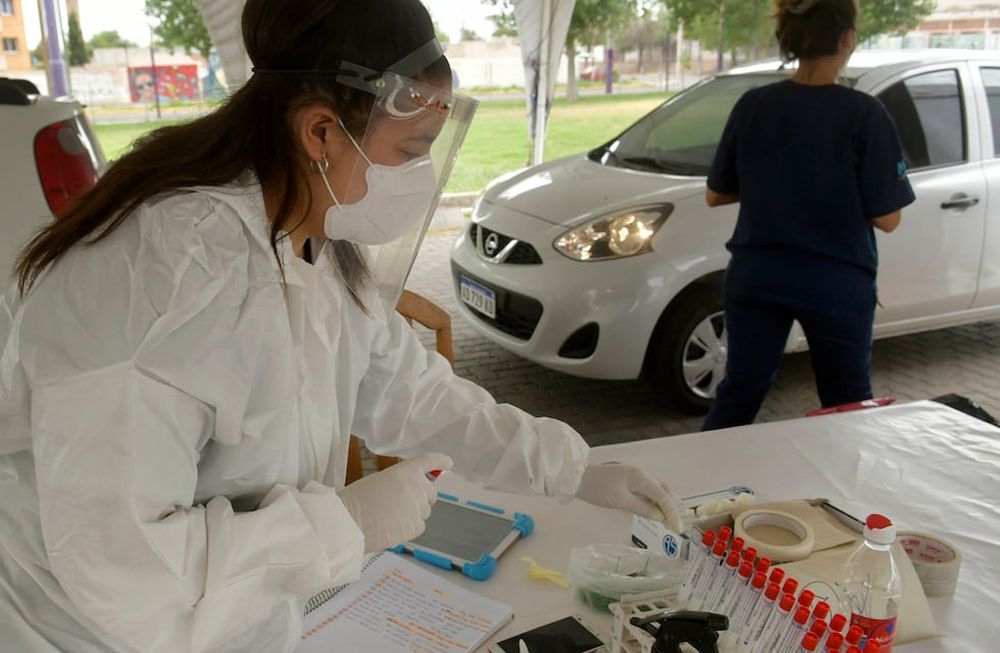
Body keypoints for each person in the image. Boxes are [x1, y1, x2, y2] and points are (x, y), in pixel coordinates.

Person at [0, 2, 683, 652]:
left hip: (231, 620)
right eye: (411, 148)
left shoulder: (314, 237)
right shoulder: (166, 276)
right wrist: (344, 525)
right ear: (322, 131)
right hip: (80, 631)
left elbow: (413, 393)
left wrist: (573, 467)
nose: (420, 176)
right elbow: (123, 571)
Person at [701, 0, 915, 431]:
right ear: (847, 38)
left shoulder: (753, 105)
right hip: (835, 281)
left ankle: (690, 491)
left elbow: (715, 194)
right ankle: (842, 493)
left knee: (739, 394)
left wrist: (777, 184)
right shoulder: (864, 114)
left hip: (757, 275)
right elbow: (888, 217)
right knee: (847, 405)